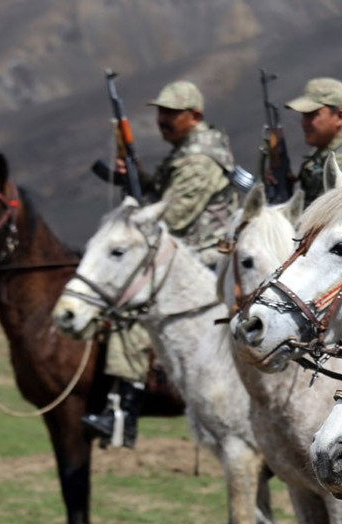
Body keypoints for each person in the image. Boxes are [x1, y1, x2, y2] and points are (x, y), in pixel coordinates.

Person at [83, 79, 242, 447]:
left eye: (172, 113)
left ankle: (124, 409)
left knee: (136, 308)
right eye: (160, 113)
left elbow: (174, 217)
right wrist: (136, 176)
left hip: (204, 255)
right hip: (186, 249)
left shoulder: (201, 158)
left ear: (195, 115)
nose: (163, 120)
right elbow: (164, 198)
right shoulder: (186, 150)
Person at [284, 77, 342, 206]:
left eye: (312, 114)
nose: (304, 123)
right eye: (304, 115)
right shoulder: (324, 154)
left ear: (340, 116)